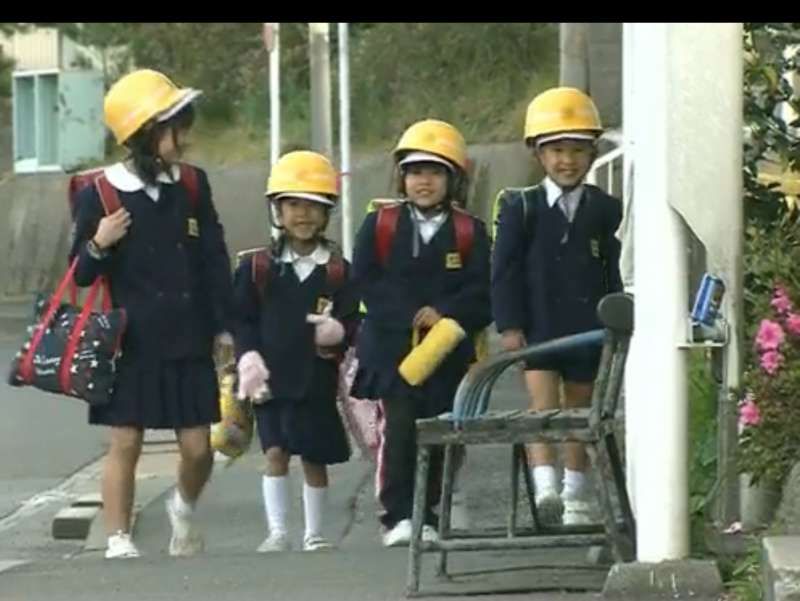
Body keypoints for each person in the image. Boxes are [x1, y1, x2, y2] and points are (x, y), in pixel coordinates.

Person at [69, 69, 234, 558]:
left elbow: (214, 259)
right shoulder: (98, 194)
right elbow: (78, 273)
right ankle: (118, 538)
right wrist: (100, 243)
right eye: (175, 127)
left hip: (189, 336)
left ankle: (182, 507)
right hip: (130, 340)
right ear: (145, 133)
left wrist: (225, 325)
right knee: (125, 442)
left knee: (199, 449)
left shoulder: (192, 186)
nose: (184, 138)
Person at [350, 119, 491, 547]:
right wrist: (410, 313)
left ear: (453, 179)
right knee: (401, 426)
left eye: (434, 172)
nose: (423, 181)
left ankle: (429, 512)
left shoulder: (471, 231)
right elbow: (365, 280)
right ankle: (397, 516)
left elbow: (484, 290)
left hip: (446, 352)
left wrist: (445, 313)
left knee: (441, 429)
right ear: (402, 177)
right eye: (414, 171)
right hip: (390, 348)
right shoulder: (380, 225)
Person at [491, 87, 623, 525]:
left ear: (592, 153)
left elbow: (612, 269)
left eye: (578, 150)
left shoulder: (605, 209)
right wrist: (509, 325)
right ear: (538, 154)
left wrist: (617, 323)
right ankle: (546, 487)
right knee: (542, 408)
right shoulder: (520, 207)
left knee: (580, 412)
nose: (568, 160)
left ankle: (576, 497)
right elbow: (504, 270)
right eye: (557, 150)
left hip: (589, 327)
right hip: (540, 325)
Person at [233, 151, 358, 552]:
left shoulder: (339, 271)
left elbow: (355, 320)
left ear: (328, 213)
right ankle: (278, 531)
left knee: (313, 456)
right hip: (268, 378)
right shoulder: (257, 268)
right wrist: (247, 357)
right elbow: (242, 319)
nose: (303, 215)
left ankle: (315, 533)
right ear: (277, 211)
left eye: (314, 206)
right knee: (274, 452)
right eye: (293, 204)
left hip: (316, 377)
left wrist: (340, 331)